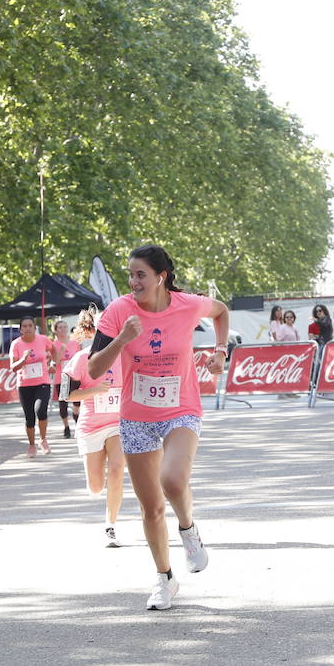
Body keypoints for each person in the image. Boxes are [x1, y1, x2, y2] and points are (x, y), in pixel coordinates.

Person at [89, 244, 229, 611]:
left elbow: (222, 312)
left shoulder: (187, 304)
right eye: (130, 275)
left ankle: (188, 529)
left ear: (161, 277)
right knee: (150, 508)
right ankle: (165, 578)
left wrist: (220, 351)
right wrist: (122, 339)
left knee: (174, 480)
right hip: (136, 416)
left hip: (181, 408)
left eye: (141, 275)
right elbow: (91, 370)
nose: (133, 282)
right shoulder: (119, 311)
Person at [66, 316, 125, 548]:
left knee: (117, 470)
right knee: (96, 486)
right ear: (95, 332)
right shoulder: (81, 359)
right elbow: (67, 395)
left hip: (118, 424)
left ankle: (110, 525)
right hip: (91, 426)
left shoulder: (125, 356)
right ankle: (97, 489)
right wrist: (94, 391)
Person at [10, 315, 56, 455]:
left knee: (40, 410)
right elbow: (13, 367)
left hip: (42, 382)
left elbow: (53, 350)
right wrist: (23, 359)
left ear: (35, 328)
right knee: (29, 417)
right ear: (20, 329)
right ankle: (31, 445)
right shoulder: (16, 344)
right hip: (24, 385)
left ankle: (43, 439)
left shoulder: (43, 340)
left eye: (30, 325)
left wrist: (53, 363)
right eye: (24, 326)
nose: (28, 328)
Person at [51, 319, 80, 439]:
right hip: (61, 378)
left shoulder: (74, 343)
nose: (63, 330)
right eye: (60, 328)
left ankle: (76, 418)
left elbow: (80, 359)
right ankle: (66, 427)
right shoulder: (53, 345)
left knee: (77, 402)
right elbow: (55, 362)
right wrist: (61, 351)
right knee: (63, 404)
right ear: (55, 330)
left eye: (65, 327)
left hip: (75, 376)